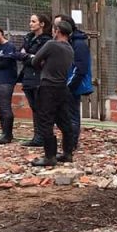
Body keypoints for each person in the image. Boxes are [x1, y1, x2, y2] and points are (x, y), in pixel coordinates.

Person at [28, 19, 75, 166]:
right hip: (62, 88)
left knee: (45, 121)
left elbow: (35, 61)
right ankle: (67, 153)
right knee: (64, 121)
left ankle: (50, 156)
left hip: (48, 87)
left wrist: (42, 62)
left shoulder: (51, 44)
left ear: (58, 31)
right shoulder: (70, 48)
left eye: (54, 29)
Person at [53, 14, 92, 151]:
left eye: (58, 26)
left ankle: (71, 145)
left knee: (72, 116)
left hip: (71, 85)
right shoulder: (66, 42)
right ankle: (68, 143)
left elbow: (80, 68)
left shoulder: (78, 44)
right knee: (65, 115)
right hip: (62, 84)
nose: (55, 29)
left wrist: (69, 86)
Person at [17, 14, 52, 147]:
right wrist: (29, 56)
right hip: (27, 78)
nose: (30, 24)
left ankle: (42, 137)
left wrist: (29, 56)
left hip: (39, 78)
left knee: (41, 109)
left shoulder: (46, 40)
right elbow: (20, 54)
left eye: (33, 21)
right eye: (30, 21)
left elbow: (40, 60)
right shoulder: (29, 37)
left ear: (42, 24)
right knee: (34, 108)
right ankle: (37, 136)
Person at [0, 24, 17, 144]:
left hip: (6, 80)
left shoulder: (9, 46)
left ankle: (8, 134)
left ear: (1, 32)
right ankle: (4, 132)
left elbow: (4, 64)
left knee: (5, 107)